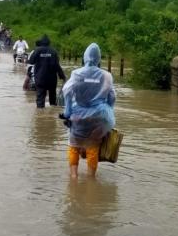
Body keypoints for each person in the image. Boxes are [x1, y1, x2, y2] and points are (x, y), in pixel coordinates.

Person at [61, 43, 116, 178]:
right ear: (99, 59)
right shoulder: (107, 76)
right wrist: (107, 109)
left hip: (78, 116)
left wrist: (68, 111)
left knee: (74, 145)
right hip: (99, 117)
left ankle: (73, 177)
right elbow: (112, 97)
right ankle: (91, 179)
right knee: (93, 147)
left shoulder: (77, 74)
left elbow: (66, 91)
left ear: (85, 57)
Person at [28, 34, 66, 108]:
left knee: (40, 99)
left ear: (41, 42)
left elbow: (31, 61)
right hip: (52, 80)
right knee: (53, 100)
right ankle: (52, 115)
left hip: (40, 79)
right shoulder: (54, 51)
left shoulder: (37, 50)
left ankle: (40, 115)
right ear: (49, 42)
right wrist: (62, 76)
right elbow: (57, 65)